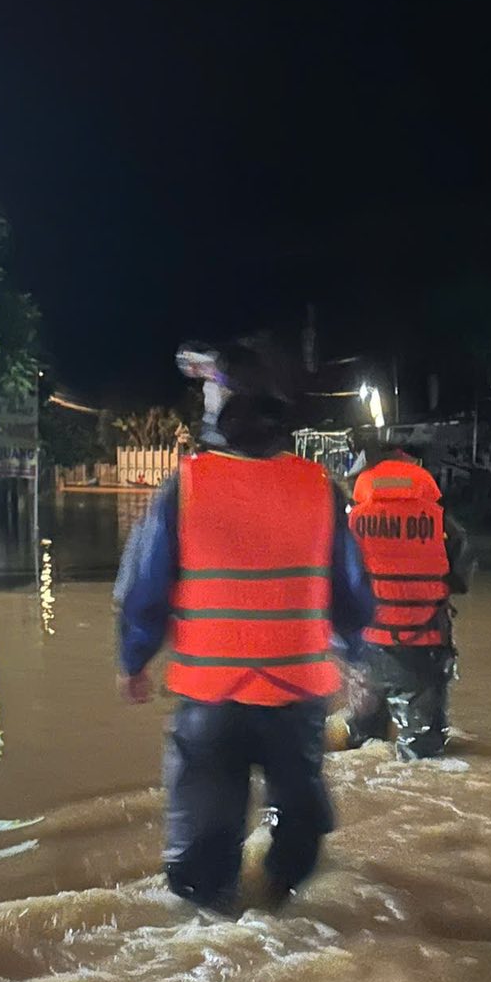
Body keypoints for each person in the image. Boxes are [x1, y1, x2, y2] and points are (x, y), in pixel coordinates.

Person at [115, 345, 374, 914]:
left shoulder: (186, 487)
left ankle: (214, 931)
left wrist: (134, 662)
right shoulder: (320, 488)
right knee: (298, 832)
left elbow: (143, 590)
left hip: (212, 703)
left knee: (204, 855)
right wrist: (356, 658)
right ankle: (286, 905)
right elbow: (354, 595)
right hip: (298, 701)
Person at [345, 437, 473, 760]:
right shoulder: (439, 520)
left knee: (363, 750)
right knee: (423, 757)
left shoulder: (353, 520)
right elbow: (459, 573)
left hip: (366, 648)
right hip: (422, 645)